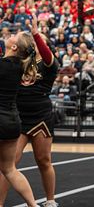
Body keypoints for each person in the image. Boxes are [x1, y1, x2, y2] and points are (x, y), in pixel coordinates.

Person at [0, 16, 59, 207]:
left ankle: (50, 200)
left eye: (39, 40)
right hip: (18, 114)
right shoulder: (21, 62)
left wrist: (36, 34)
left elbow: (46, 55)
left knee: (43, 160)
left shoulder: (49, 64)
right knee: (9, 165)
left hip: (40, 115)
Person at [0, 31, 40, 207]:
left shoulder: (3, 65)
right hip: (12, 122)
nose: (10, 35)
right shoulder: (19, 66)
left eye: (14, 36)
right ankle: (33, 204)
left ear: (14, 46)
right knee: (9, 169)